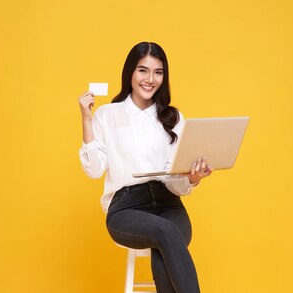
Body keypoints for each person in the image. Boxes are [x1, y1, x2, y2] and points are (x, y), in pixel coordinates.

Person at [78, 41, 210, 293]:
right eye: (143, 70)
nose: (150, 79)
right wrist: (86, 119)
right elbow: (94, 169)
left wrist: (192, 178)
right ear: (130, 72)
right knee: (166, 233)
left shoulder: (173, 118)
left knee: (166, 241)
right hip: (126, 207)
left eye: (158, 72)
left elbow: (174, 182)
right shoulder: (107, 114)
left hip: (168, 203)